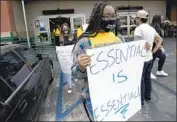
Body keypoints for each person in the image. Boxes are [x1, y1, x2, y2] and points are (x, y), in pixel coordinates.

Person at [72, 1, 151, 121]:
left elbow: (129, 63)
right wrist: (81, 67)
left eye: (113, 15)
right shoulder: (84, 42)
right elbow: (74, 73)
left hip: (118, 97)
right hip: (97, 101)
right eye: (107, 16)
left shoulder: (118, 37)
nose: (111, 19)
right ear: (97, 17)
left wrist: (141, 51)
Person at [134, 10, 163, 105]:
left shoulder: (138, 29)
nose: (135, 19)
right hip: (149, 58)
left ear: (139, 18)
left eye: (136, 17)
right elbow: (160, 40)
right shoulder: (151, 29)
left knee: (141, 79)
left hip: (141, 59)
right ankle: (148, 96)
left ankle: (141, 101)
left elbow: (136, 45)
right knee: (147, 78)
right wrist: (152, 51)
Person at [59, 23, 77, 93]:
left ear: (68, 29)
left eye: (66, 28)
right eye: (64, 29)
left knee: (73, 68)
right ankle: (69, 85)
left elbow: (76, 43)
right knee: (67, 71)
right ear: (62, 30)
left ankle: (74, 76)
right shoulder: (61, 36)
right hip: (66, 57)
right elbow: (60, 47)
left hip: (72, 55)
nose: (65, 30)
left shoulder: (72, 35)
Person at [151, 15, 168, 80]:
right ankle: (149, 72)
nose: (162, 19)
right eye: (161, 18)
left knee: (163, 56)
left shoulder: (155, 25)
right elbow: (155, 39)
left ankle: (159, 71)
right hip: (155, 46)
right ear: (158, 19)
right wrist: (160, 47)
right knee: (152, 59)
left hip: (156, 46)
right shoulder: (156, 26)